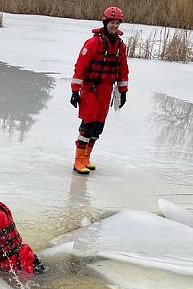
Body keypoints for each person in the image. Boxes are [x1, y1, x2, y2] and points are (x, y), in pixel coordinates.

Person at [70, 6, 129, 175]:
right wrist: (75, 91)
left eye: (117, 23)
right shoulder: (93, 43)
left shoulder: (119, 46)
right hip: (90, 89)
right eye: (112, 23)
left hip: (107, 90)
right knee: (87, 125)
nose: (115, 26)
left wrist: (123, 91)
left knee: (98, 127)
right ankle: (78, 160)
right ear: (105, 22)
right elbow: (80, 68)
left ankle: (86, 157)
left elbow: (123, 69)